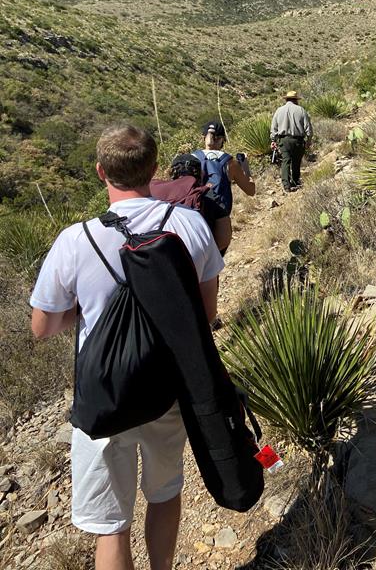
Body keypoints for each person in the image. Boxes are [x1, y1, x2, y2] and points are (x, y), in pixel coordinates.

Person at [30, 124, 224, 570]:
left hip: (105, 397)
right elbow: (207, 312)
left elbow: (42, 327)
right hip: (168, 388)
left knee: (111, 526)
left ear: (101, 172)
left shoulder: (74, 240)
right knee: (164, 492)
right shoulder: (190, 225)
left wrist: (82, 311)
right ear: (154, 169)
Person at [192, 121, 256, 256]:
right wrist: (246, 168)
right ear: (222, 140)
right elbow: (251, 191)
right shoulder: (230, 163)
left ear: (203, 137)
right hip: (218, 221)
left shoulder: (191, 160)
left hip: (193, 219)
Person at [270, 91, 313, 192]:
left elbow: (273, 128)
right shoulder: (301, 110)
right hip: (298, 140)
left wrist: (273, 140)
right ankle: (295, 181)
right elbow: (308, 128)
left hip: (283, 140)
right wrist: (309, 140)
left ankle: (286, 184)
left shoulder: (279, 111)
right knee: (296, 161)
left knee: (286, 160)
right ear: (295, 100)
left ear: (286, 100)